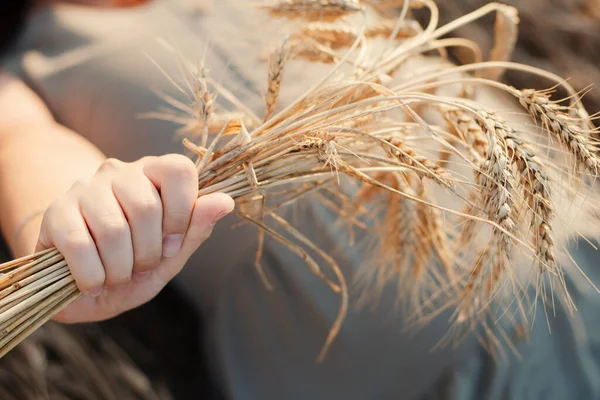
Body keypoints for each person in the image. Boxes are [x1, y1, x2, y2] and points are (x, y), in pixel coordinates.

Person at [2, 1, 600, 400]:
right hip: (399, 365)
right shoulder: (25, 68)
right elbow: (31, 161)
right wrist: (82, 230)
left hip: (573, 230)